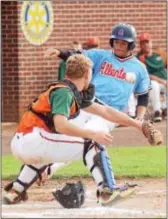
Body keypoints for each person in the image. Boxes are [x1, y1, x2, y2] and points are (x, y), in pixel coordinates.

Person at [3, 54, 147, 206]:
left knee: (46, 153)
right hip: (32, 139)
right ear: (86, 74)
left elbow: (105, 111)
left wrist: (136, 124)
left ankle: (15, 191)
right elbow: (61, 125)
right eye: (91, 73)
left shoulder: (70, 92)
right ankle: (107, 191)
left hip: (26, 142)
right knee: (92, 142)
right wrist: (92, 134)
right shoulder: (63, 92)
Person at [39, 23, 151, 185]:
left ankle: (51, 168)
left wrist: (139, 117)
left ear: (131, 45)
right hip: (87, 104)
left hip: (110, 113)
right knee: (67, 134)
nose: (119, 46)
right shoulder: (101, 55)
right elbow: (77, 55)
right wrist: (59, 52)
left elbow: (143, 96)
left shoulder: (139, 68)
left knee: (89, 136)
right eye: (116, 42)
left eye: (123, 43)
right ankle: (39, 167)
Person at [137, 33, 167, 122]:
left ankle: (165, 109)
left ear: (151, 43)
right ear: (140, 45)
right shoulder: (140, 58)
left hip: (165, 81)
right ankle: (157, 111)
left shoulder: (160, 54)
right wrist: (163, 81)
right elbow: (146, 75)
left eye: (147, 42)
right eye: (143, 43)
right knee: (153, 85)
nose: (145, 45)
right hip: (154, 82)